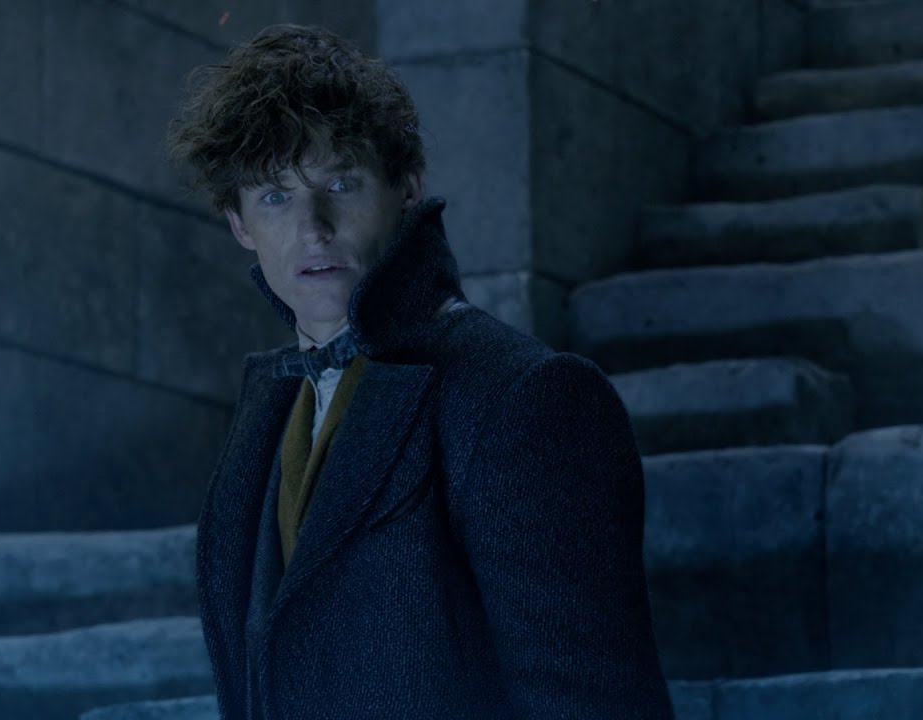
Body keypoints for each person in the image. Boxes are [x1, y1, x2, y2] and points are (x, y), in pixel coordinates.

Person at [165, 22, 673, 720]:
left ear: (406, 186)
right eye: (275, 196)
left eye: (341, 182)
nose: (313, 228)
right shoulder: (268, 413)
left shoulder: (525, 396)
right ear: (239, 223)